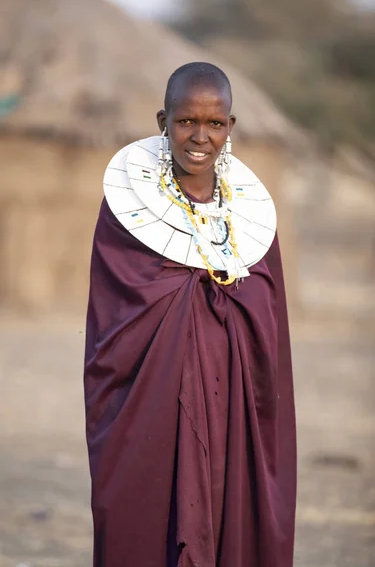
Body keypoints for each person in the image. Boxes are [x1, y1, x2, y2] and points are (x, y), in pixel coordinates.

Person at [84, 62, 296, 567]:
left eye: (215, 124)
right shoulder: (126, 209)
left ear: (231, 128)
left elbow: (266, 309)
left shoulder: (251, 221)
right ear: (164, 120)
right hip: (154, 401)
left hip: (231, 399)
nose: (200, 137)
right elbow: (117, 316)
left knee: (227, 512)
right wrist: (192, 286)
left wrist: (227, 292)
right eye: (186, 122)